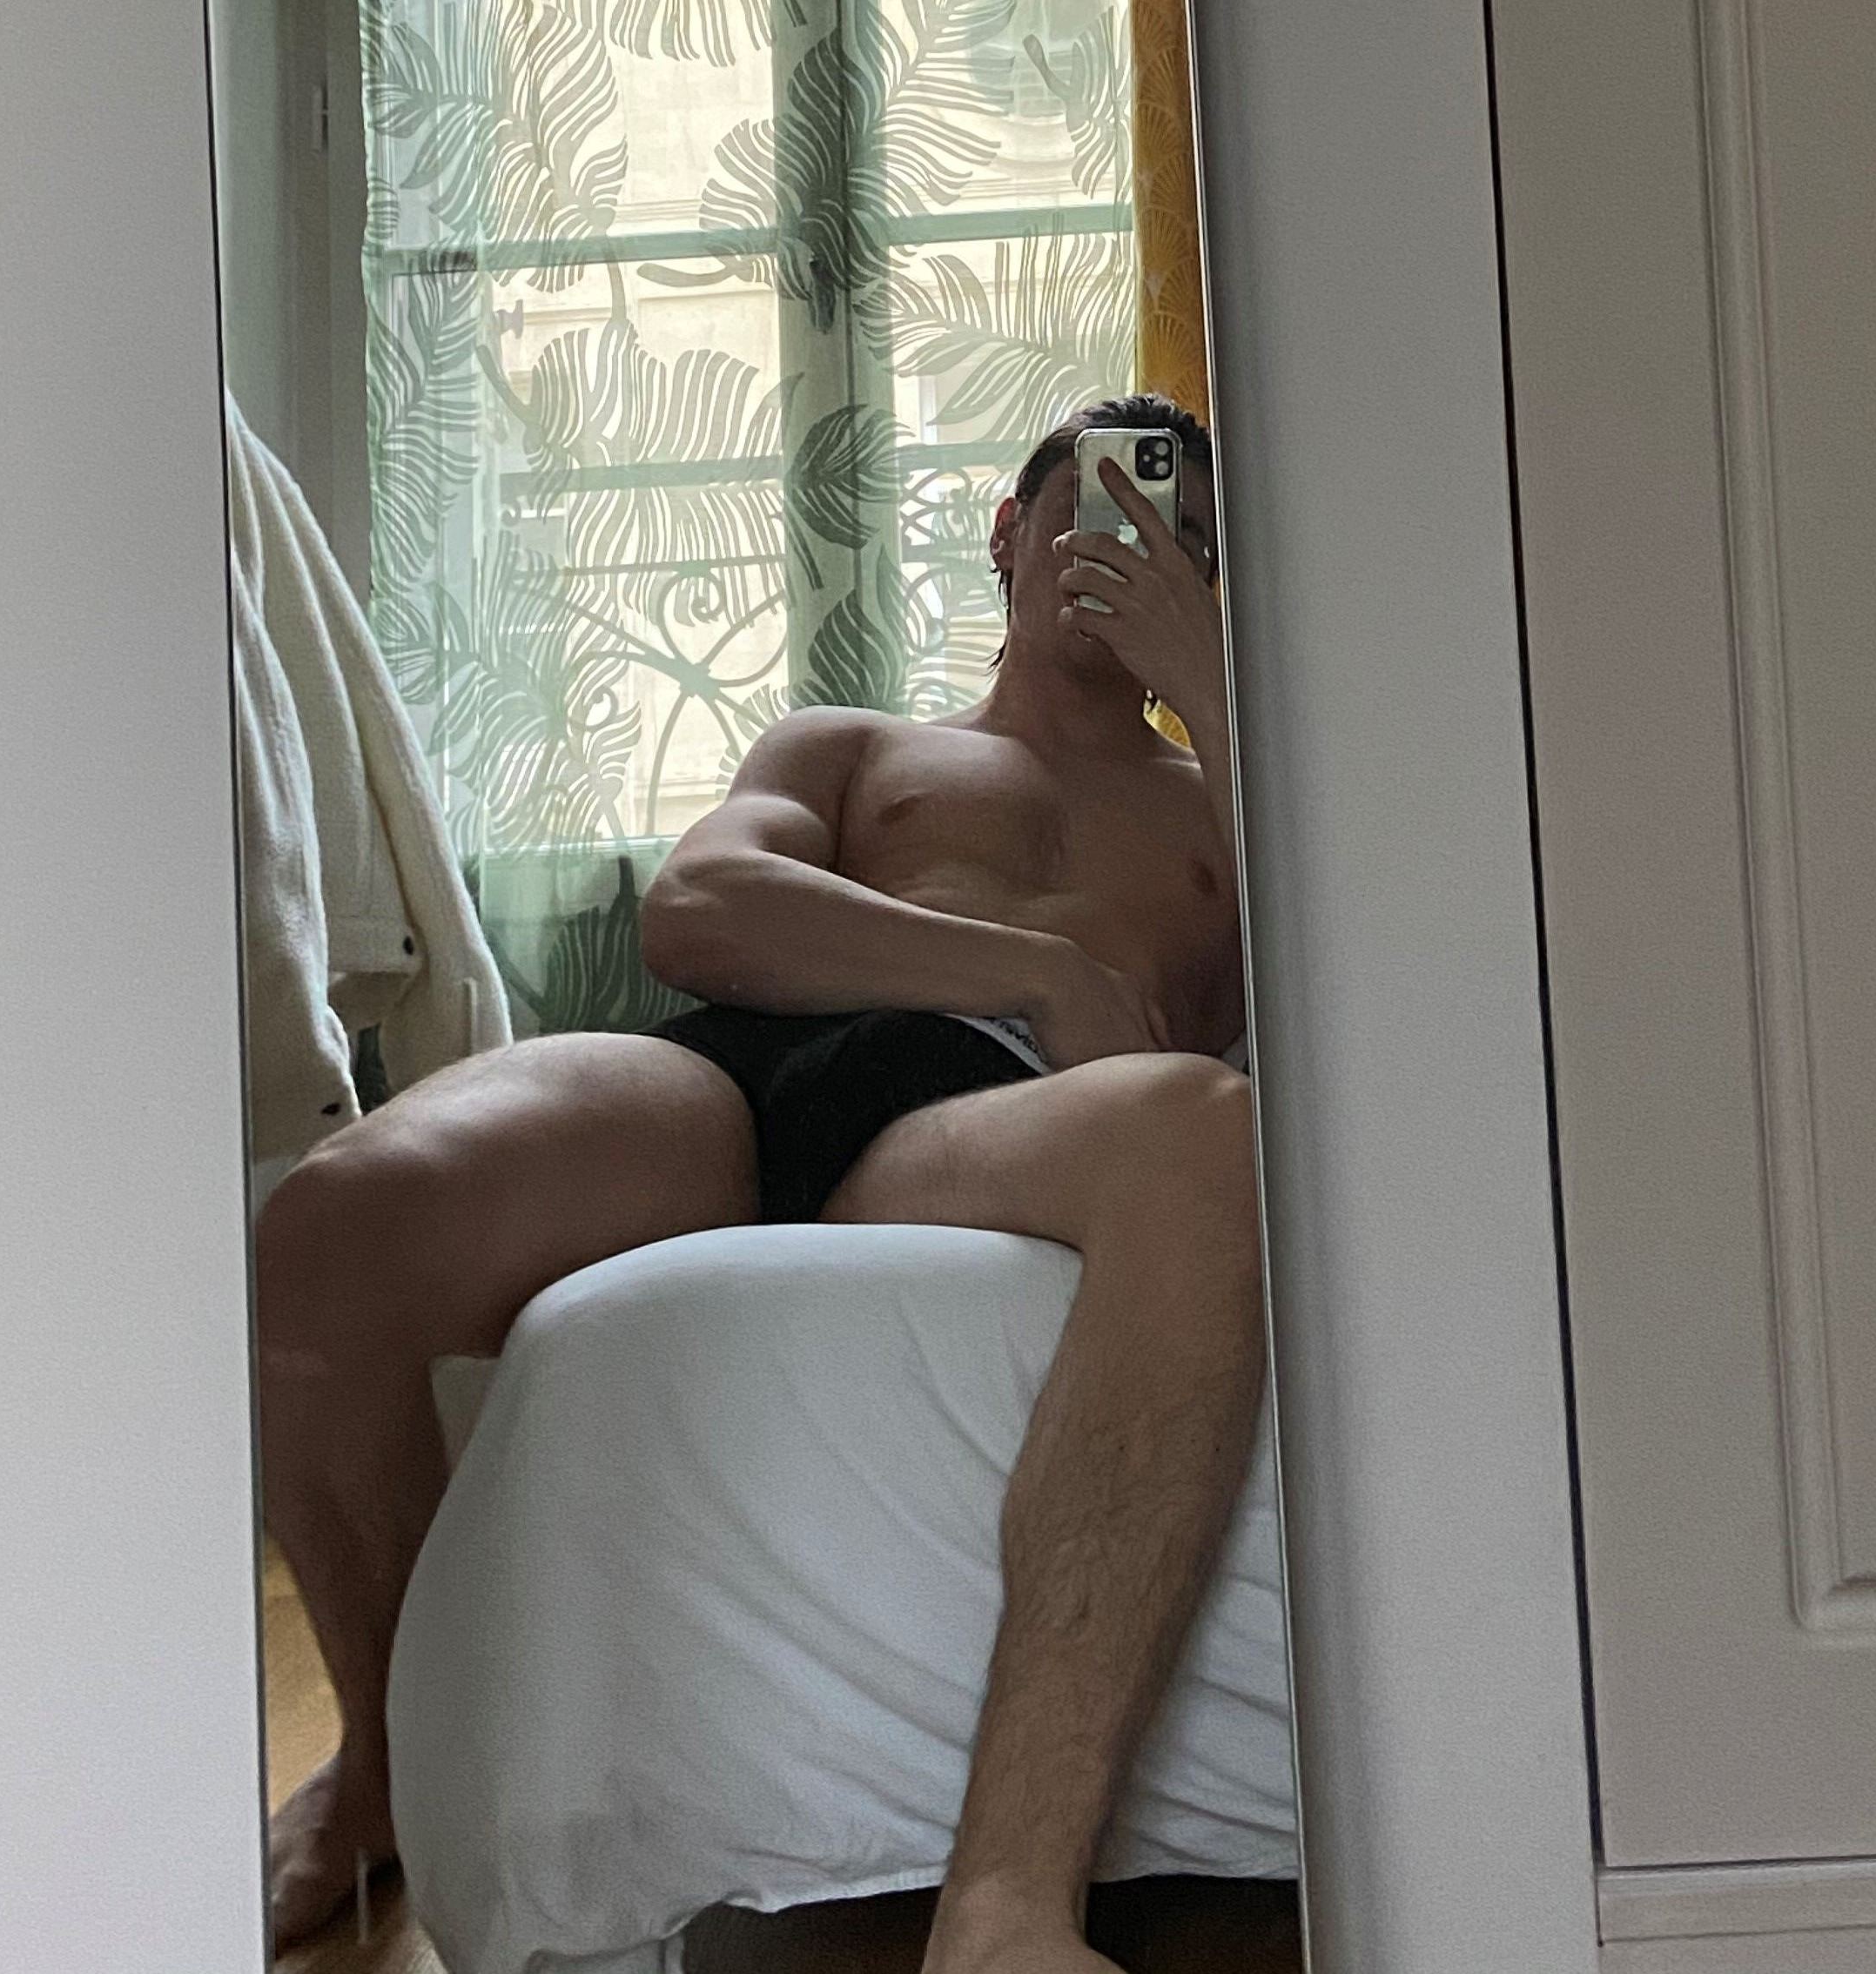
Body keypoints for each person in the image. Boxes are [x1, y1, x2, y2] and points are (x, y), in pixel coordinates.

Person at [258, 393, 1265, 1974]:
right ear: (1008, 536)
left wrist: (1215, 688)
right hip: (736, 1070)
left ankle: (1005, 1905)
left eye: (1183, 536)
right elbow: (705, 903)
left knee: (1208, 1131)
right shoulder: (860, 747)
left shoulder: (1235, 795)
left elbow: (1344, 996)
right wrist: (1037, 966)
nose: (1133, 544)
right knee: (326, 1233)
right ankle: (383, 1766)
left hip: (985, 1118)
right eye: (1098, 505)